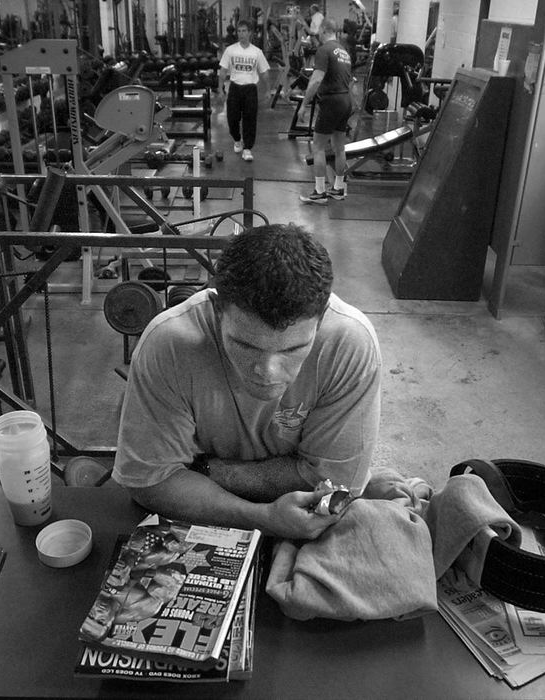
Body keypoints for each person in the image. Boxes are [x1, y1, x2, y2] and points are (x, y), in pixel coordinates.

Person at [112, 224, 382, 541]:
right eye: (246, 345)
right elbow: (149, 483)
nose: (267, 371)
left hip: (293, 522)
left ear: (322, 318)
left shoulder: (349, 345)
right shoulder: (169, 343)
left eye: (293, 349)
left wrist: (204, 471)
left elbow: (336, 484)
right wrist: (261, 518)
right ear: (217, 310)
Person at [300, 18, 354, 205]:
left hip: (332, 101)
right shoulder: (344, 51)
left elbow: (315, 80)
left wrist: (303, 104)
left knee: (318, 147)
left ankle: (320, 192)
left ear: (324, 31)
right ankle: (338, 188)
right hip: (346, 100)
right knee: (339, 147)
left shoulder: (324, 50)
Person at [218, 19, 270, 162]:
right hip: (235, 87)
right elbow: (222, 71)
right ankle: (237, 139)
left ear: (250, 33)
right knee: (232, 118)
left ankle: (247, 149)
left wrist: (267, 90)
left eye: (244, 31)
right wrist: (220, 89)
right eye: (239, 31)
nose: (241, 34)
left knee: (250, 119)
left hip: (250, 89)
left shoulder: (257, 52)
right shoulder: (230, 50)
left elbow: (264, 73)